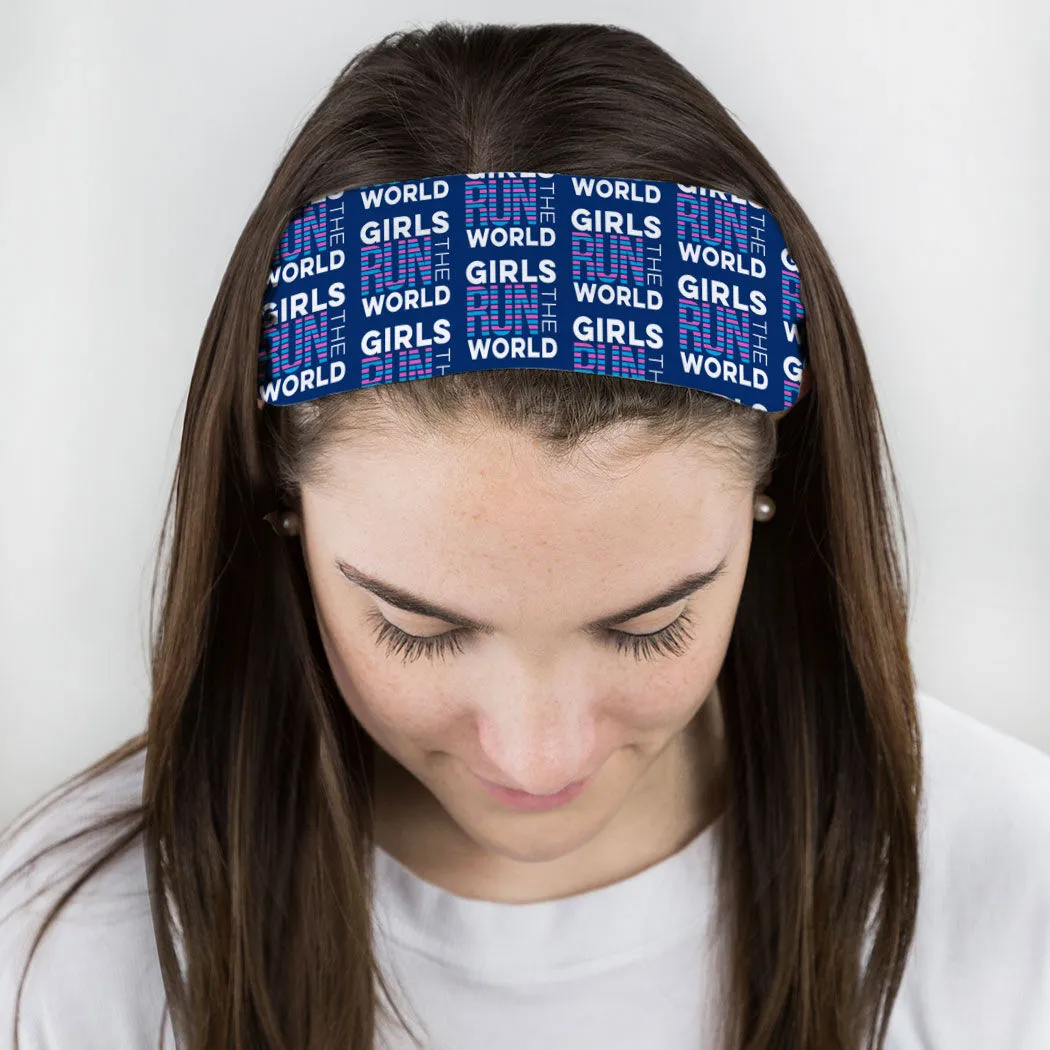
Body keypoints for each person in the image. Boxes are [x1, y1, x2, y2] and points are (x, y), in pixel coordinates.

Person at [1, 19, 1049, 1050]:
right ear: (282, 508)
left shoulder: (1014, 887)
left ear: (770, 498)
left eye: (649, 626)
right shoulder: (70, 951)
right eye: (417, 628)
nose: (539, 757)